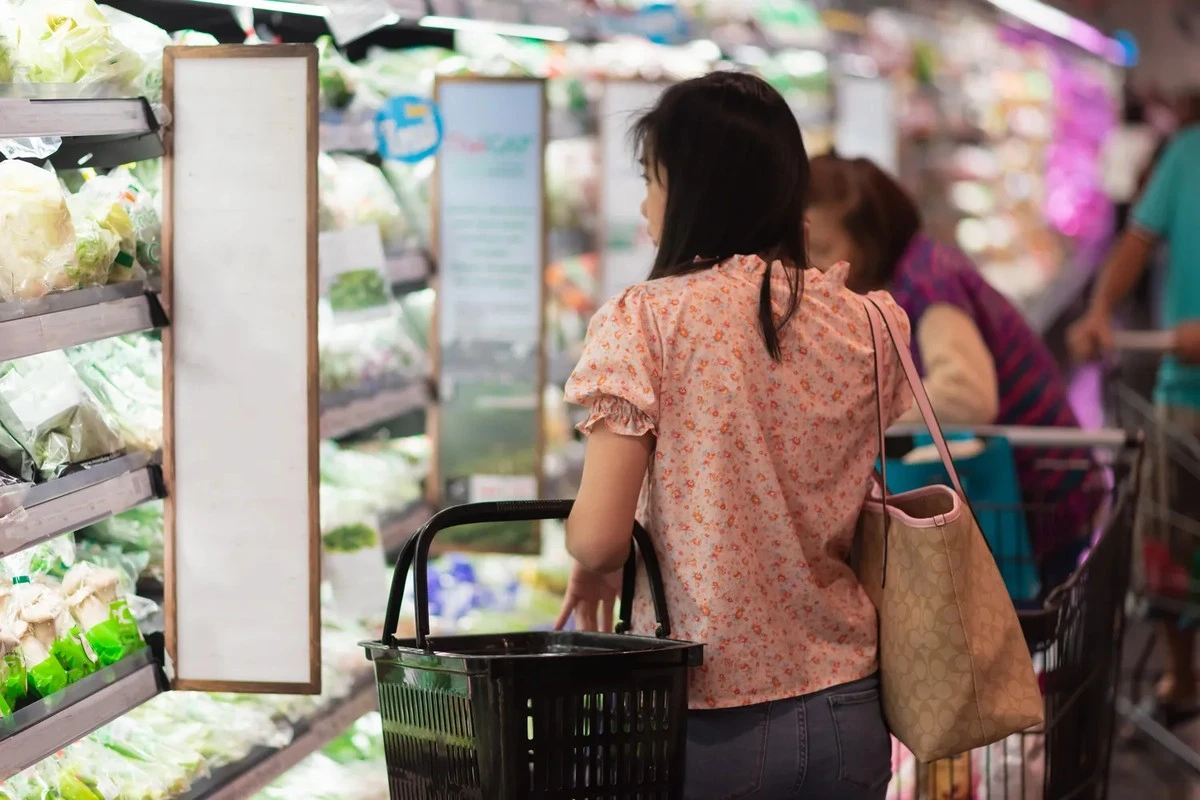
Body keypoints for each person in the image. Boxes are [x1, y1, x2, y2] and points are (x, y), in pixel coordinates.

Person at [555, 72, 912, 799]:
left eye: (652, 180)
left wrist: (590, 566)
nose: (647, 204)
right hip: (851, 704)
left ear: (694, 191)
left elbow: (599, 539)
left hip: (710, 716)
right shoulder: (869, 323)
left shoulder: (646, 321)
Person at [804, 154, 1099, 589]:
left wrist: (857, 412)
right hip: (1039, 492)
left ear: (870, 239)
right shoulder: (919, 269)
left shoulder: (928, 284)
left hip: (1034, 500)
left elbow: (967, 394)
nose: (815, 267)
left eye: (826, 249)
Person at [1068, 89, 1200, 724]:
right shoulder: (1184, 156)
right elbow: (1134, 245)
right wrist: (1098, 310)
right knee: (1168, 546)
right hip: (1183, 397)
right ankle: (1182, 676)